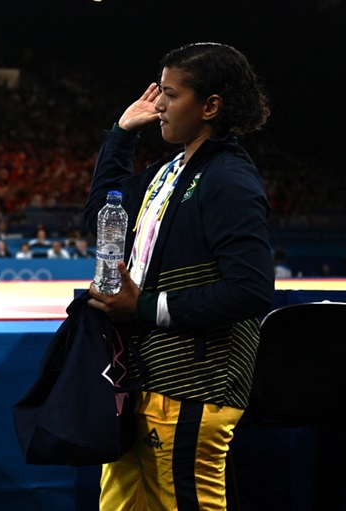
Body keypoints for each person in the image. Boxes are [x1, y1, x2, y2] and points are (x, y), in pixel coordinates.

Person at [84, 42, 274, 510]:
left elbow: (250, 290)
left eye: (170, 94)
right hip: (143, 382)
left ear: (210, 106)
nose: (158, 105)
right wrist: (121, 137)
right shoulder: (171, 171)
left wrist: (143, 306)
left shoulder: (228, 179)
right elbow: (101, 218)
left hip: (194, 387)